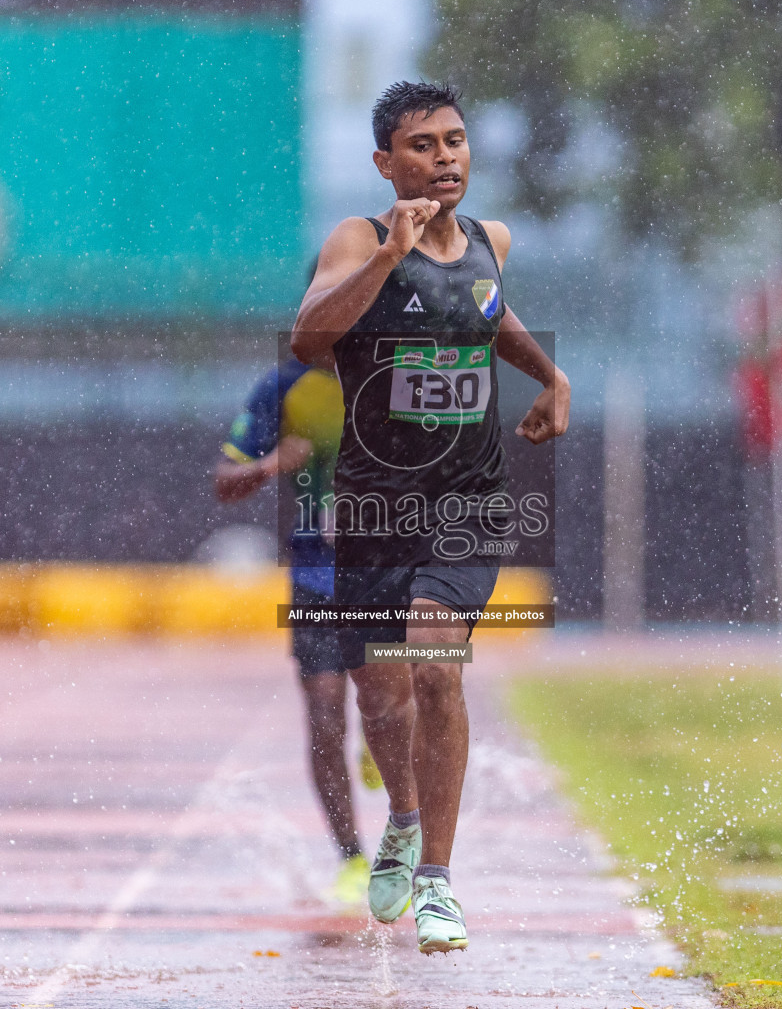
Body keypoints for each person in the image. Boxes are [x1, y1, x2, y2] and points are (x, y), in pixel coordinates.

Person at [290, 81, 570, 954]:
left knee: (436, 659)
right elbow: (307, 337)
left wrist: (550, 378)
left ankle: (440, 881)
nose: (444, 157)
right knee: (383, 690)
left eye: (454, 140)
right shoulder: (358, 239)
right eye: (422, 145)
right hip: (376, 502)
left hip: (467, 499)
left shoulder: (494, 242)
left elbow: (488, 314)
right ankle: (402, 823)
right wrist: (385, 263)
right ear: (386, 163)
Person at [214, 356, 374, 905]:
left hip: (390, 572)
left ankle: (387, 749)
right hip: (315, 578)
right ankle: (352, 858)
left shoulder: (402, 371)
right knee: (326, 713)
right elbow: (223, 481)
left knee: (395, 701)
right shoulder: (283, 387)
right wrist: (272, 465)